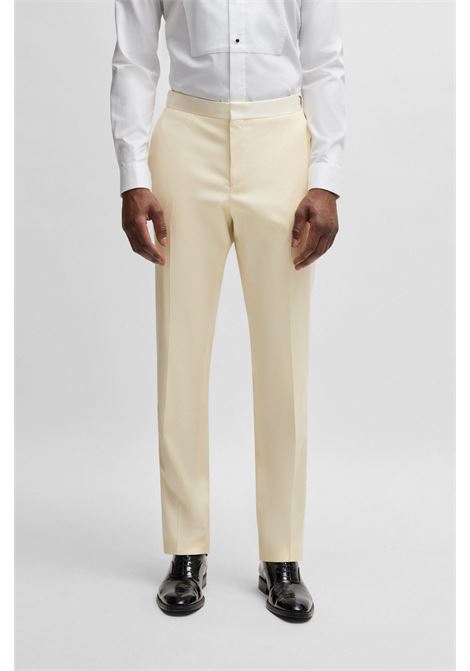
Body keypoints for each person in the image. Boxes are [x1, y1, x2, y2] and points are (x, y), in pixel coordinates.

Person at [110, 0, 345, 621]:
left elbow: (324, 62)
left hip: (281, 141)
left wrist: (325, 176)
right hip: (187, 136)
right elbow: (134, 57)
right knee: (181, 353)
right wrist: (133, 174)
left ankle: (282, 555)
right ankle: (186, 547)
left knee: (283, 358)